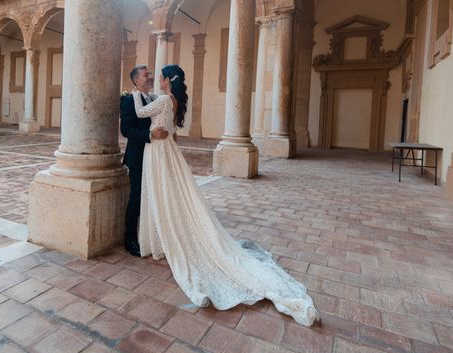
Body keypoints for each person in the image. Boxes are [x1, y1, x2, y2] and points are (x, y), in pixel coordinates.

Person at [131, 64, 319, 326]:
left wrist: (132, 94)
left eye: (157, 76)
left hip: (159, 152)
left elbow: (140, 112)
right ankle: (166, 233)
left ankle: (164, 237)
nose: (155, 79)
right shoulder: (173, 100)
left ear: (165, 80)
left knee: (162, 195)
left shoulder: (161, 98)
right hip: (169, 151)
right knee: (172, 195)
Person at [120, 65, 168, 257]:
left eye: (150, 73)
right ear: (136, 80)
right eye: (145, 74)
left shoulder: (153, 98)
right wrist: (150, 134)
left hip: (154, 156)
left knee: (151, 196)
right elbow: (126, 130)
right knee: (136, 197)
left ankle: (147, 234)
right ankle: (129, 239)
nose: (150, 76)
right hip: (138, 156)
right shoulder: (129, 100)